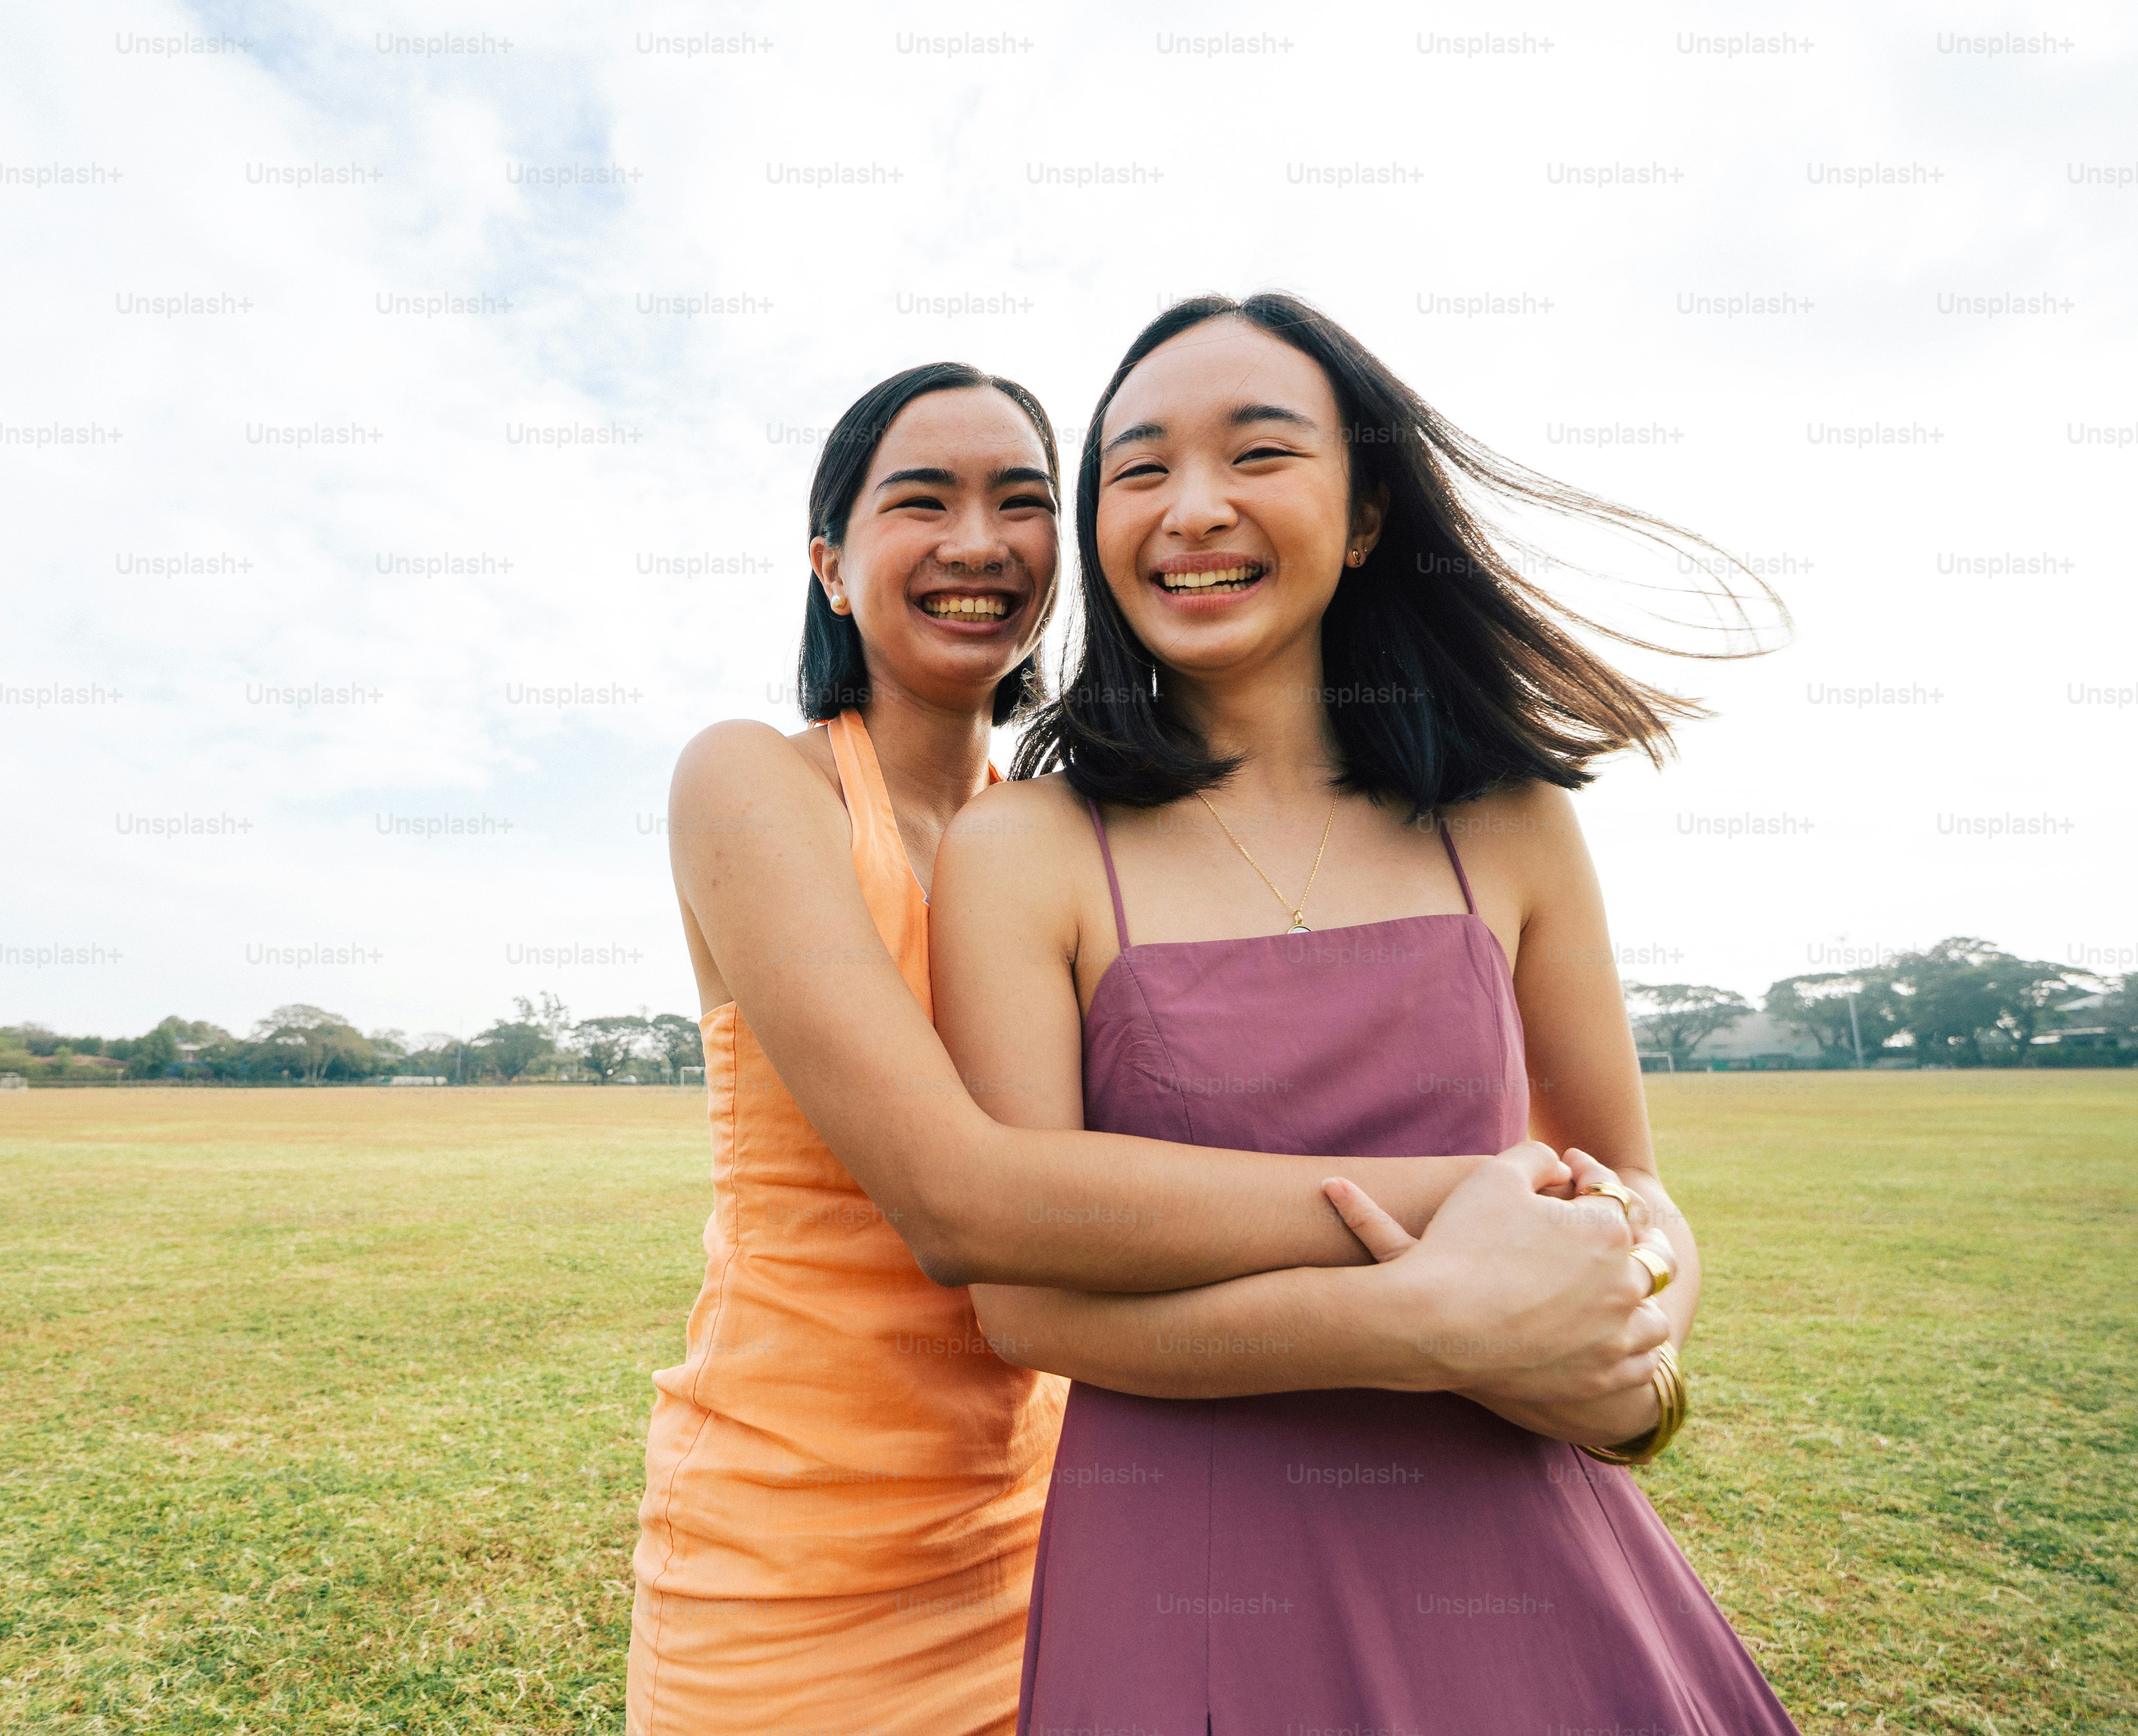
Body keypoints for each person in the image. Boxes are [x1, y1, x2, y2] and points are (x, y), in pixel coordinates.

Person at [635, 359, 1674, 1735]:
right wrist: (1507, 1200)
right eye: (920, 501)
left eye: (1019, 502)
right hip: (790, 1542)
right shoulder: (752, 785)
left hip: (1049, 1521)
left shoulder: (1054, 843)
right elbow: (960, 1202)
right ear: (831, 565)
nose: (979, 543)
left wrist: (1600, 1245)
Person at [932, 293, 1799, 1733]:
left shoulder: (1509, 821)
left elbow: (1624, 1184)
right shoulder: (1023, 846)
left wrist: (1632, 1376)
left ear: (1369, 513)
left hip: (1525, 1541)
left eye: (1257, 455)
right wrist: (1416, 1324)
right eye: (1139, 472)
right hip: (1188, 1577)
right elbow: (1023, 1296)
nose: (1191, 508)